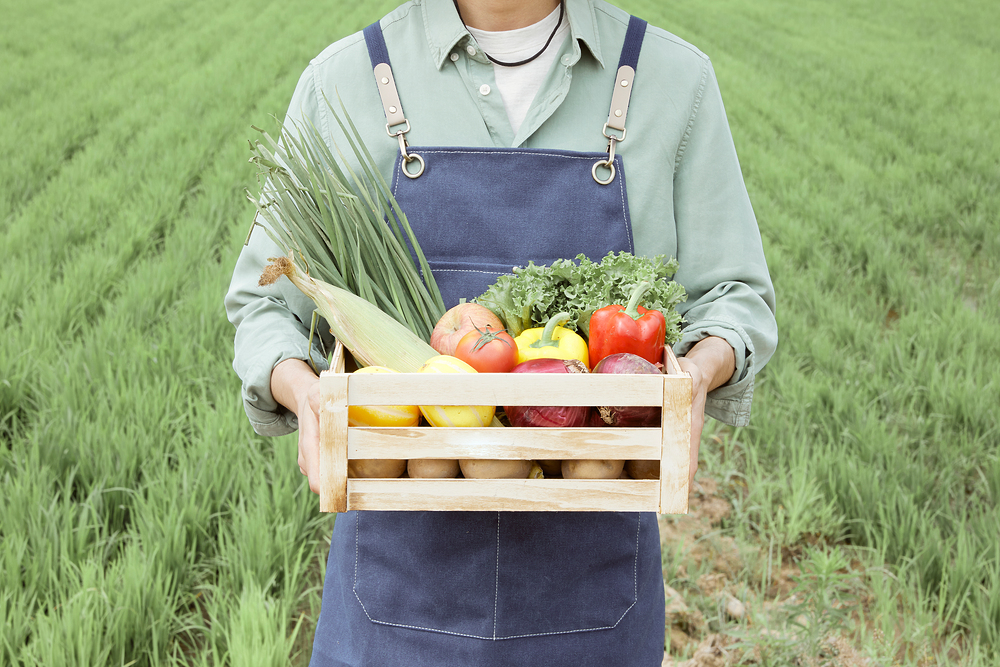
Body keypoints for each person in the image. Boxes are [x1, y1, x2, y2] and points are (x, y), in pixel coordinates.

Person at [225, 0, 777, 664]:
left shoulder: (671, 81)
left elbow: (734, 295)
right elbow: (265, 306)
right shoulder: (345, 80)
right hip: (393, 607)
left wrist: (698, 371)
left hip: (592, 606)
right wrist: (302, 390)